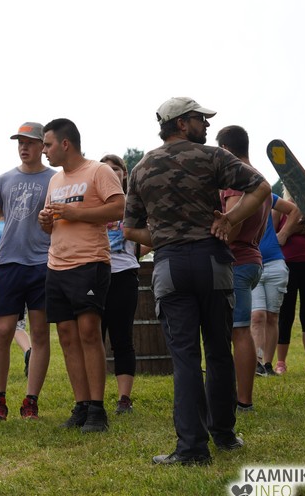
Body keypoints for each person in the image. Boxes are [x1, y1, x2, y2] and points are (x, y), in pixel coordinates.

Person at [123, 97, 270, 465]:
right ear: (181, 123)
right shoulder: (213, 157)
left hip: (170, 267)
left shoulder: (141, 168)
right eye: (199, 119)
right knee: (219, 351)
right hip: (213, 263)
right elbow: (261, 187)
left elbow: (130, 228)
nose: (206, 124)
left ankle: (191, 449)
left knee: (185, 359)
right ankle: (225, 436)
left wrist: (166, 236)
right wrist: (230, 219)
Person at [38, 118, 125, 432]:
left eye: (47, 144)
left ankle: (98, 410)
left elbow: (118, 209)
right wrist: (45, 221)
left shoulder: (98, 171)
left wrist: (77, 214)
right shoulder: (55, 180)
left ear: (65, 144)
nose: (44, 151)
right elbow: (51, 227)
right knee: (66, 335)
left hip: (90, 263)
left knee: (89, 332)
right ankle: (81, 405)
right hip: (56, 265)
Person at [0, 122, 55, 421]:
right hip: (9, 263)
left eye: (29, 142)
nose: (23, 148)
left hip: (43, 264)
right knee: (3, 331)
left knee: (39, 333)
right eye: (20, 143)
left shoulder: (55, 179)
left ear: (42, 146)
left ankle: (31, 401)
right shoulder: (4, 179)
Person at [215, 126, 271, 412]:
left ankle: (243, 402)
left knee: (239, 332)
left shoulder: (236, 181)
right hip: (252, 259)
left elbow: (232, 227)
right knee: (240, 330)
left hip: (236, 261)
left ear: (225, 149)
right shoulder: (259, 179)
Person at [99, 154, 149, 415]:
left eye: (116, 169)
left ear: (124, 174)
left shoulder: (134, 202)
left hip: (124, 274)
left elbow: (152, 233)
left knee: (122, 338)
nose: (111, 172)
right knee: (93, 337)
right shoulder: (94, 201)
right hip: (95, 274)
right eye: (105, 168)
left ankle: (124, 399)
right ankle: (91, 397)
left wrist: (134, 254)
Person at [250, 193, 299, 377]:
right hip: (251, 265)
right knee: (257, 316)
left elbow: (294, 210)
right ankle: (256, 363)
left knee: (272, 316)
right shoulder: (232, 197)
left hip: (274, 263)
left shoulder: (265, 195)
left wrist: (284, 234)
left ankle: (267, 365)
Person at [276, 188, 305, 374]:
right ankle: (281, 363)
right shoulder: (280, 209)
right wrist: (294, 228)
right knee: (285, 315)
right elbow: (273, 237)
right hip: (286, 265)